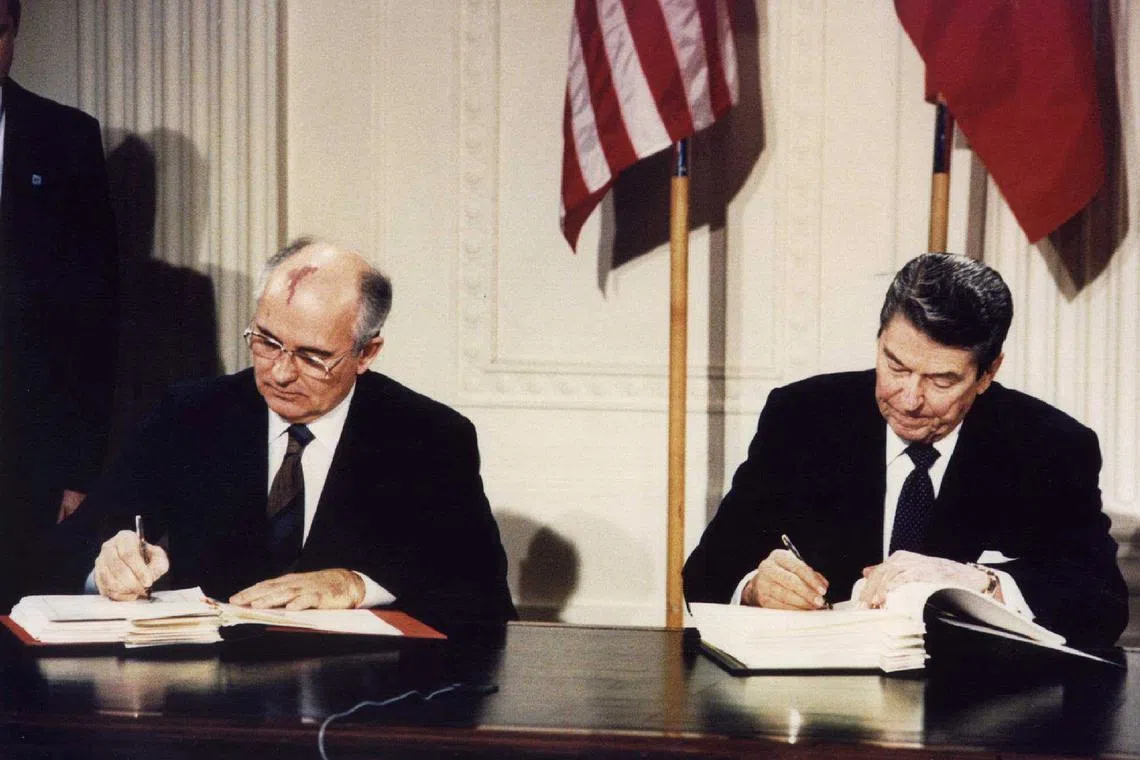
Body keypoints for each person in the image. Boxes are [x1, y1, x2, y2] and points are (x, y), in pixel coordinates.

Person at [50, 237, 516, 630]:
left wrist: (358, 585)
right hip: (212, 689)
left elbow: (482, 598)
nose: (280, 373)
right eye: (266, 342)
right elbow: (70, 548)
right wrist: (106, 569)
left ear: (366, 353)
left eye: (313, 356)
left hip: (357, 692)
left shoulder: (430, 438)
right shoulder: (190, 414)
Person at [683, 253, 1128, 648]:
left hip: (975, 698)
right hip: (824, 698)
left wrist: (981, 582)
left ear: (987, 374)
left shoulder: (1049, 445)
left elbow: (1103, 606)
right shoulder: (803, 416)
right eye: (895, 366)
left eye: (941, 380)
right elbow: (706, 572)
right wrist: (755, 588)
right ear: (879, 340)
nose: (909, 399)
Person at [0, 0, 118, 608]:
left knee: (22, 621)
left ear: (14, 32)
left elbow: (93, 320)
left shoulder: (65, 136)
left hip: (29, 459)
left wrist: (80, 472)